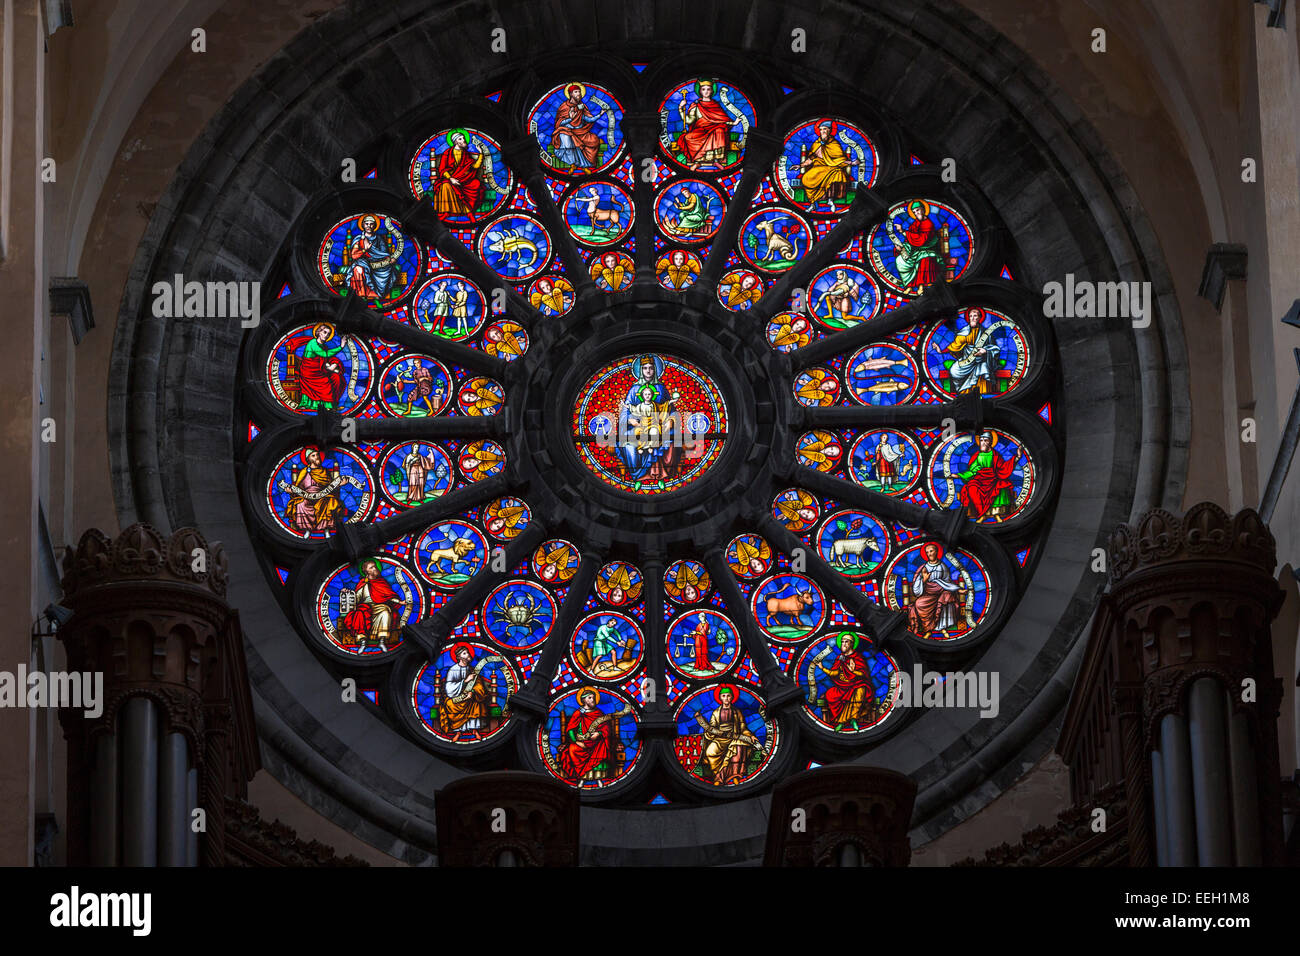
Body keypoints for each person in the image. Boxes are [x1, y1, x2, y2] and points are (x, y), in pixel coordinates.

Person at [615, 355, 681, 490]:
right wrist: (629, 419)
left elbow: (671, 410)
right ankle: (638, 477)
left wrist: (672, 421)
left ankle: (661, 477)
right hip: (638, 426)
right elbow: (625, 412)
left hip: (659, 425)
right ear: (640, 370)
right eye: (645, 368)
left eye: (651, 368)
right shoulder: (634, 390)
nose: (648, 371)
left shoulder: (661, 389)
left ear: (655, 370)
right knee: (628, 444)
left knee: (670, 439)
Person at [696, 685, 761, 786]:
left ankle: (735, 775)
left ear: (732, 697)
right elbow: (712, 728)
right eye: (724, 696)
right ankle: (718, 776)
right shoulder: (716, 712)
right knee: (710, 752)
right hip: (719, 738)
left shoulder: (737, 712)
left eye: (728, 696)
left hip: (735, 736)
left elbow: (743, 728)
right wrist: (709, 731)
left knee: (738, 749)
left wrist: (751, 736)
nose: (726, 698)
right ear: (720, 698)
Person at [948, 430, 1017, 520]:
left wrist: (1017, 458)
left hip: (994, 479)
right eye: (981, 440)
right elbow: (972, 471)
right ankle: (981, 514)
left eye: (986, 440)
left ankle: (996, 514)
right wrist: (959, 475)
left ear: (991, 442)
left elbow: (1002, 468)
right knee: (971, 487)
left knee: (1001, 487)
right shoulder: (977, 456)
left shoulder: (996, 455)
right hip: (979, 480)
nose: (983, 443)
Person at [342, 558, 408, 652]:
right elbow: (356, 598)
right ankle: (363, 642)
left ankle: (381, 641)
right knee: (359, 614)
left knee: (385, 611)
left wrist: (399, 602)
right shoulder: (363, 583)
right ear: (366, 571)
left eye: (375, 566)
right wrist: (348, 593)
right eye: (371, 567)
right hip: (364, 607)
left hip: (379, 606)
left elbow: (388, 596)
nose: (375, 568)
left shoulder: (381, 582)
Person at [813, 634, 874, 731]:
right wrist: (823, 668)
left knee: (860, 691)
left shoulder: (857, 657)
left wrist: (853, 671)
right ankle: (842, 720)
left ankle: (850, 720)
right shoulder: (840, 658)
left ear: (852, 644)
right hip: (843, 686)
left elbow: (863, 674)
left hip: (857, 684)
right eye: (842, 642)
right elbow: (834, 673)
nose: (843, 644)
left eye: (846, 642)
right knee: (830, 694)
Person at [887, 199, 945, 292]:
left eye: (917, 210)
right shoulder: (915, 223)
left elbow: (921, 240)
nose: (916, 213)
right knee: (899, 260)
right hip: (915, 250)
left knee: (923, 259)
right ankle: (909, 285)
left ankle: (921, 286)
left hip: (928, 249)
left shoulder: (928, 224)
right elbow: (910, 240)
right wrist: (901, 248)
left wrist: (902, 231)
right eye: (914, 212)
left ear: (923, 209)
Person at [558, 687, 616, 782]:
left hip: (596, 742)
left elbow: (606, 728)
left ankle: (598, 778)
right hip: (580, 742)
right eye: (589, 698)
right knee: (572, 749)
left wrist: (599, 733)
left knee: (602, 747)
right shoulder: (577, 713)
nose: (592, 700)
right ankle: (581, 776)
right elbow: (570, 730)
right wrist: (576, 742)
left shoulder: (598, 713)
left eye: (593, 697)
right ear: (583, 700)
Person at [675, 79, 734, 169]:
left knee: (719, 131)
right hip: (700, 130)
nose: (706, 92)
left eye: (708, 89)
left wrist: (733, 123)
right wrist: (680, 108)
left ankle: (716, 161)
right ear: (700, 91)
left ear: (712, 91)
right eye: (703, 89)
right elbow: (689, 121)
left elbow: (722, 120)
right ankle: (698, 161)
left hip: (714, 129)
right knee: (687, 137)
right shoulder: (696, 105)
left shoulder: (715, 105)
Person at [341, 214, 403, 300]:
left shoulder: (379, 239)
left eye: (371, 224)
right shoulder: (359, 239)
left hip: (378, 264)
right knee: (358, 269)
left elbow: (383, 253)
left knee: (390, 269)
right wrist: (364, 250)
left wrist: (389, 259)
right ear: (363, 225)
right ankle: (361, 295)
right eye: (366, 224)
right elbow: (354, 255)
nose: (369, 226)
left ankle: (377, 293)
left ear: (374, 226)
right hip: (363, 263)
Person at [286, 446, 345, 533]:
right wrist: (291, 492)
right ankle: (307, 530)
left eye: (317, 455)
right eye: (313, 455)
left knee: (329, 502)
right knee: (300, 504)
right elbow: (298, 489)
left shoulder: (324, 471)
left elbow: (331, 487)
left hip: (323, 496)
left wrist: (340, 484)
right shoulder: (303, 472)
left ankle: (326, 529)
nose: (316, 457)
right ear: (308, 459)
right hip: (306, 496)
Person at [907, 543, 962, 635]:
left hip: (942, 592)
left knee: (947, 597)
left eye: (931, 551)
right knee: (919, 603)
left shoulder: (943, 567)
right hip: (928, 595)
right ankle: (928, 628)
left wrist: (956, 589)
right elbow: (917, 589)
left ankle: (942, 626)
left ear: (936, 552)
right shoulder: (924, 568)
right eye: (927, 552)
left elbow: (947, 581)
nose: (929, 554)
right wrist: (923, 580)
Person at [430, 129, 484, 219]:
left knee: (476, 184)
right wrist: (451, 178)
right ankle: (447, 212)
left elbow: (474, 166)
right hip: (450, 178)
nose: (463, 140)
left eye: (463, 138)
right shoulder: (447, 153)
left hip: (465, 179)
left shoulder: (465, 154)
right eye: (460, 139)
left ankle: (468, 210)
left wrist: (481, 153)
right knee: (445, 186)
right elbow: (442, 170)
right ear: (455, 142)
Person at [550, 83, 605, 170]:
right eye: (576, 92)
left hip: (581, 131)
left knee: (594, 140)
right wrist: (570, 119)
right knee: (566, 138)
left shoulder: (582, 106)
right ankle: (572, 164)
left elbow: (588, 119)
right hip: (566, 130)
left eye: (579, 92)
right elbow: (559, 124)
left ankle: (585, 164)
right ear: (571, 94)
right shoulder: (564, 107)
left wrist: (599, 115)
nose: (578, 94)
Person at [797, 120, 853, 206]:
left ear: (829, 130)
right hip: (817, 168)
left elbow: (840, 159)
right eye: (821, 129)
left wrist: (851, 163)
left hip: (832, 167)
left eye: (825, 129)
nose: (822, 131)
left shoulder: (834, 144)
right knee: (806, 178)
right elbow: (811, 159)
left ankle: (830, 199)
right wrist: (800, 166)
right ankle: (812, 203)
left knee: (837, 173)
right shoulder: (817, 144)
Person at [442, 643, 491, 740]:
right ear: (459, 657)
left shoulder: (471, 670)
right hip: (456, 697)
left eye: (468, 652)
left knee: (476, 703)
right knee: (450, 704)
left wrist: (472, 692)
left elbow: (479, 685)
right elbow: (449, 689)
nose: (468, 655)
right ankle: (458, 732)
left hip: (471, 696)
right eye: (465, 653)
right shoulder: (453, 670)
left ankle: (475, 730)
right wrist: (465, 681)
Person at [946, 308, 1000, 394]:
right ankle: (963, 393)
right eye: (970, 316)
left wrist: (985, 351)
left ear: (979, 318)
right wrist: (940, 350)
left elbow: (995, 348)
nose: (972, 318)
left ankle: (983, 395)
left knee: (984, 369)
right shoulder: (963, 332)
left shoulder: (986, 333)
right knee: (953, 370)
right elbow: (954, 347)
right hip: (966, 361)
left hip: (981, 361)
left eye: (975, 316)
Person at [296, 323, 345, 411]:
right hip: (309, 372)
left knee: (337, 378)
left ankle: (332, 404)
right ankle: (324, 406)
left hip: (319, 371)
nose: (326, 335)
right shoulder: (313, 343)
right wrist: (341, 347)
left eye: (328, 334)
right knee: (326, 383)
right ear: (319, 332)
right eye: (325, 332)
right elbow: (324, 354)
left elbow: (326, 359)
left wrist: (333, 364)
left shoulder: (323, 346)